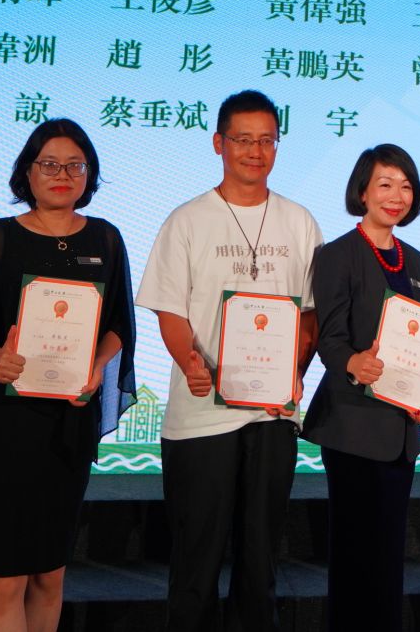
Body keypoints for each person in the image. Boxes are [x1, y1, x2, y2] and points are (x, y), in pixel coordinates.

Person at [135, 90, 323, 632]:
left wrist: (295, 371)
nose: (255, 151)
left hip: (272, 415)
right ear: (219, 143)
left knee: (261, 563)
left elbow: (311, 314)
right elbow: (170, 310)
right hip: (202, 418)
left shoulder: (299, 221)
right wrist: (191, 362)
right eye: (243, 139)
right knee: (196, 561)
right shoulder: (187, 220)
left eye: (267, 140)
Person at [0, 119, 137, 632]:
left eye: (75, 165)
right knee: (4, 579)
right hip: (3, 423)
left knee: (50, 575)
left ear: (89, 174)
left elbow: (119, 325)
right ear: (28, 172)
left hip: (68, 423)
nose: (63, 175)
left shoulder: (106, 237)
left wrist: (96, 367)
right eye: (50, 164)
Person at [303, 144, 420, 632]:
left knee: (389, 555)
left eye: (405, 186)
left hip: (400, 429)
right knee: (355, 555)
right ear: (362, 192)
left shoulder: (416, 260)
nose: (396, 195)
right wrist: (352, 362)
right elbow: (330, 337)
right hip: (353, 426)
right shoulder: (337, 254)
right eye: (385, 184)